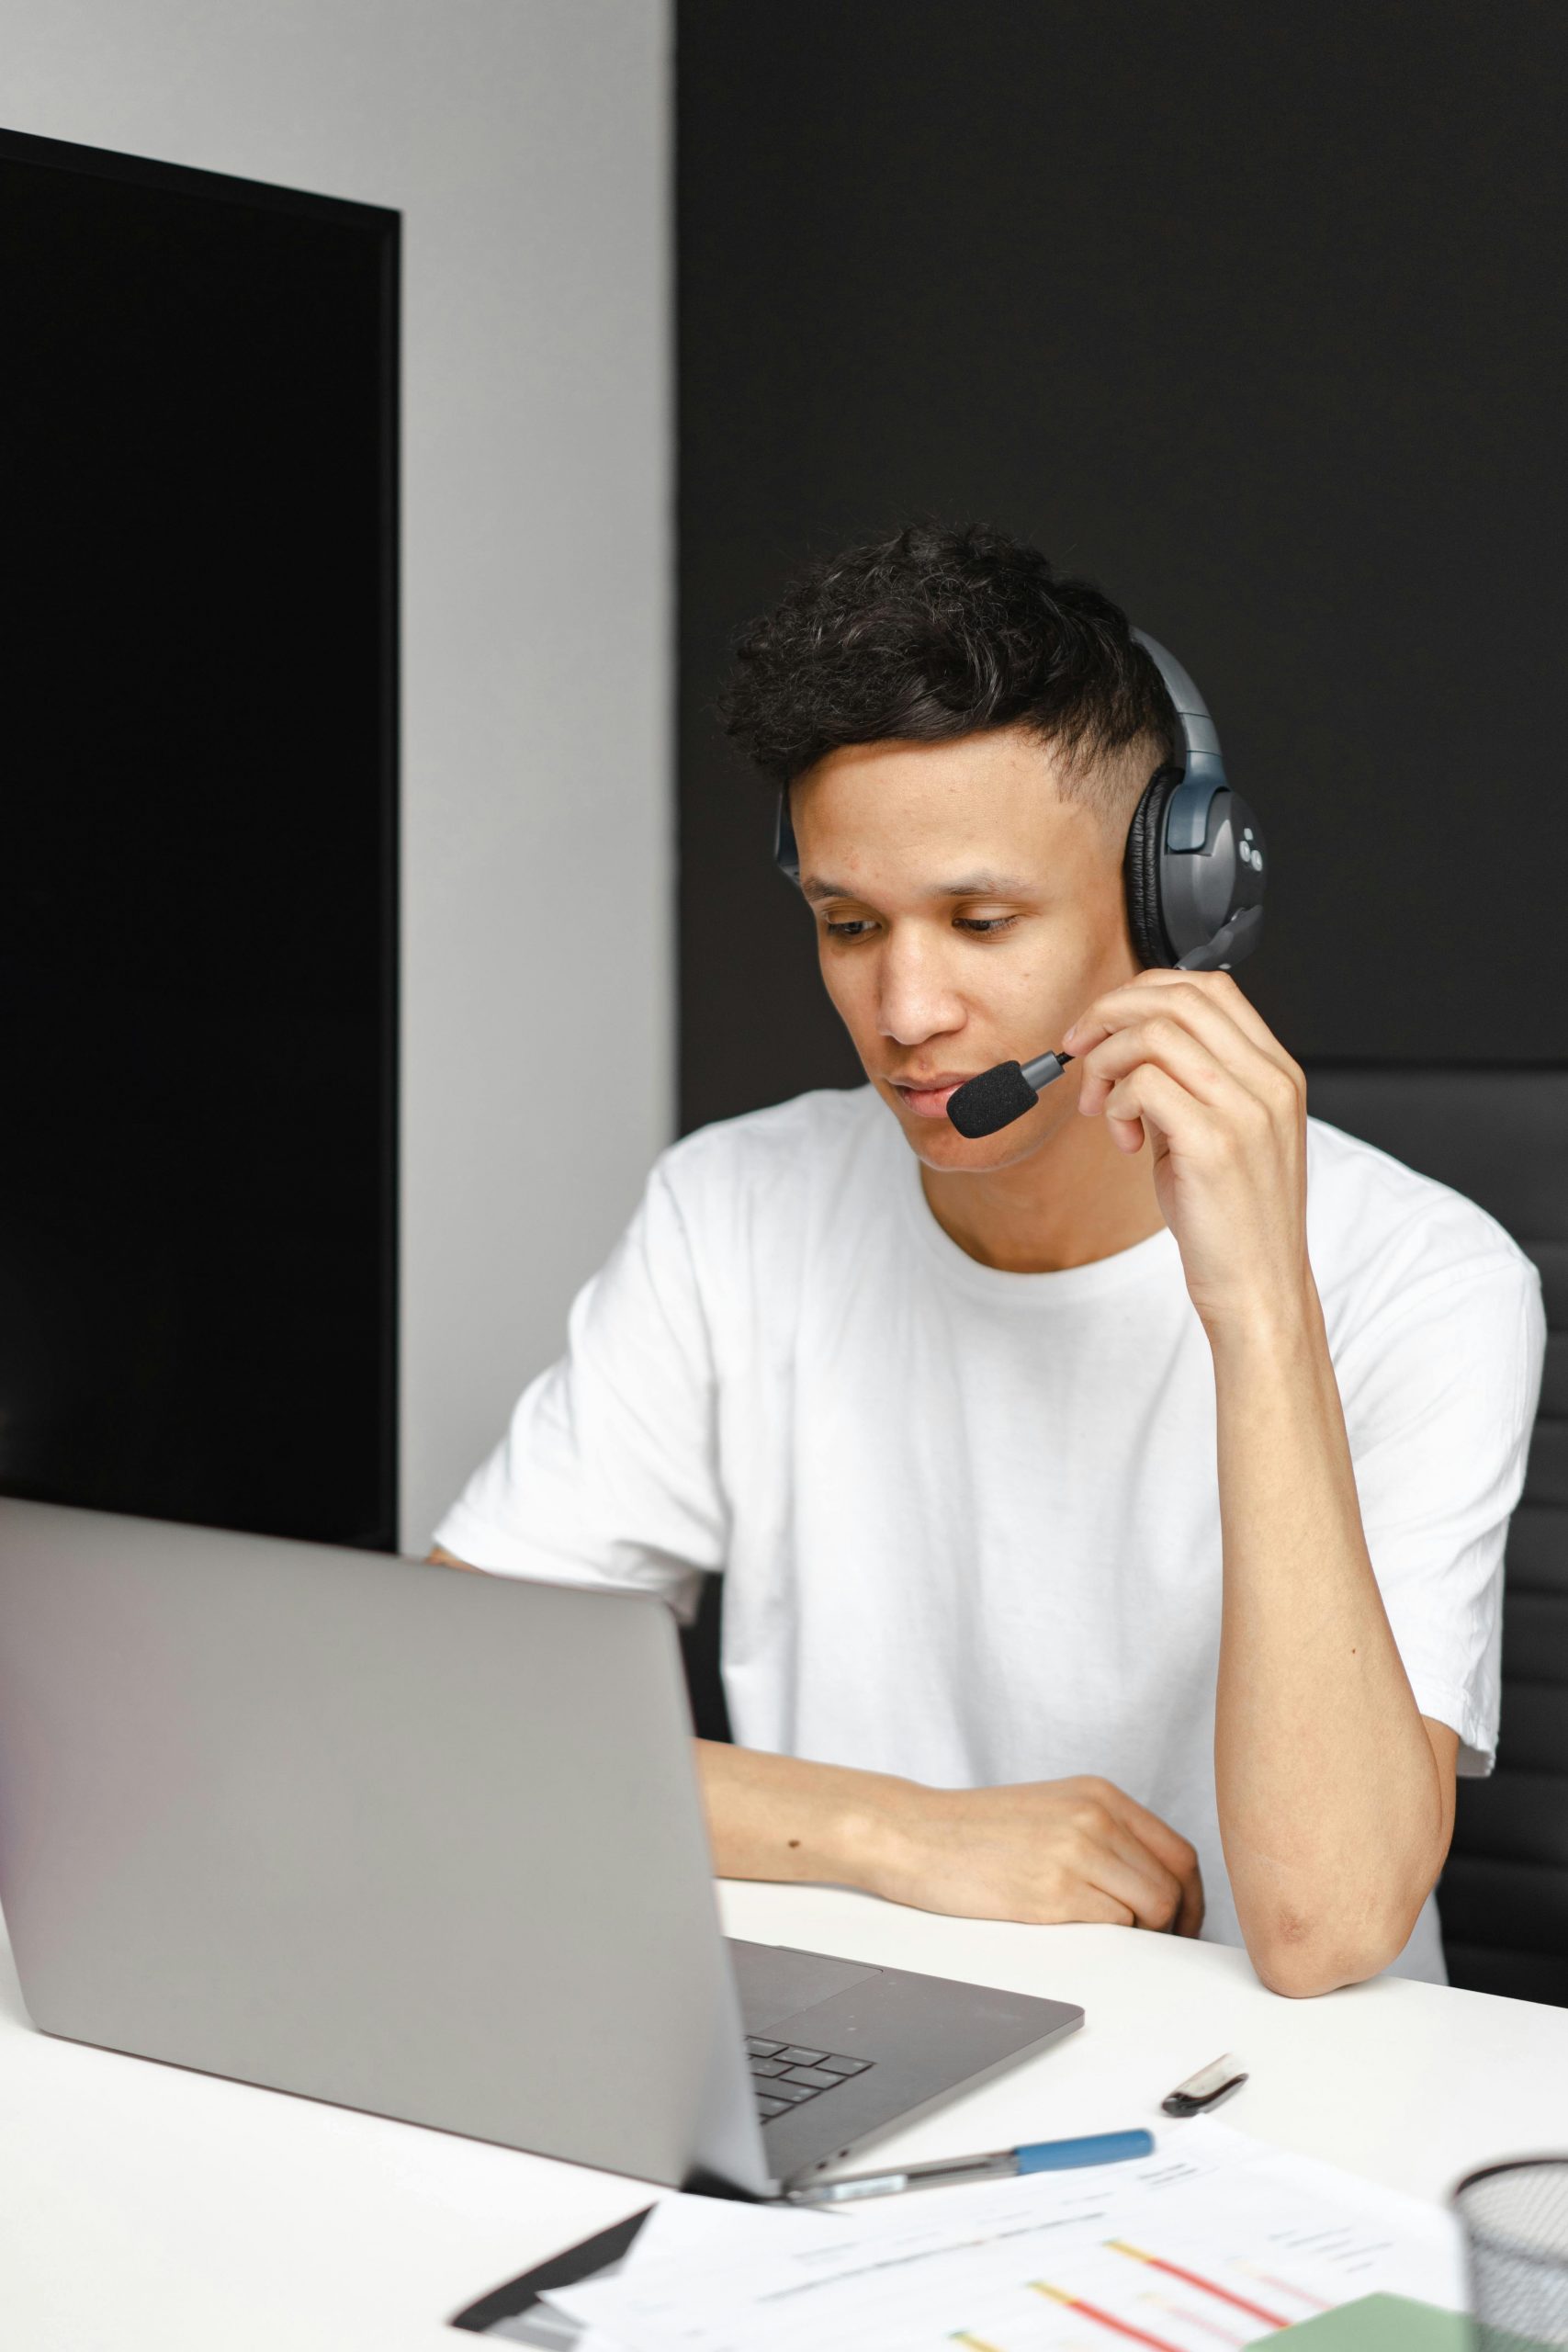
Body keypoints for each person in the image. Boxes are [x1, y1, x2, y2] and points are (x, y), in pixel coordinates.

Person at [432, 523, 1544, 1996]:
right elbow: (446, 1717)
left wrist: (1261, 1305)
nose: (904, 1010)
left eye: (980, 921)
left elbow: (1328, 1926)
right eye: (847, 924)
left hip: (1268, 2110)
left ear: (1177, 909)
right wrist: (898, 1835)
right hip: (847, 2029)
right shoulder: (736, 1208)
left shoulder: (1426, 1280)